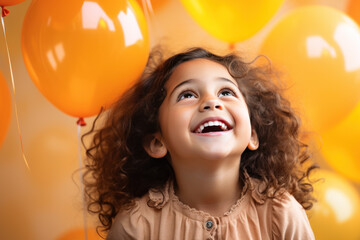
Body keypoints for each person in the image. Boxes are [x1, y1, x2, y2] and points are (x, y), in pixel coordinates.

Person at [83, 47, 317, 240]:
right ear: (156, 141)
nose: (211, 102)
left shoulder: (281, 214)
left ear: (253, 134)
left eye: (226, 91)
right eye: (187, 95)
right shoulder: (136, 226)